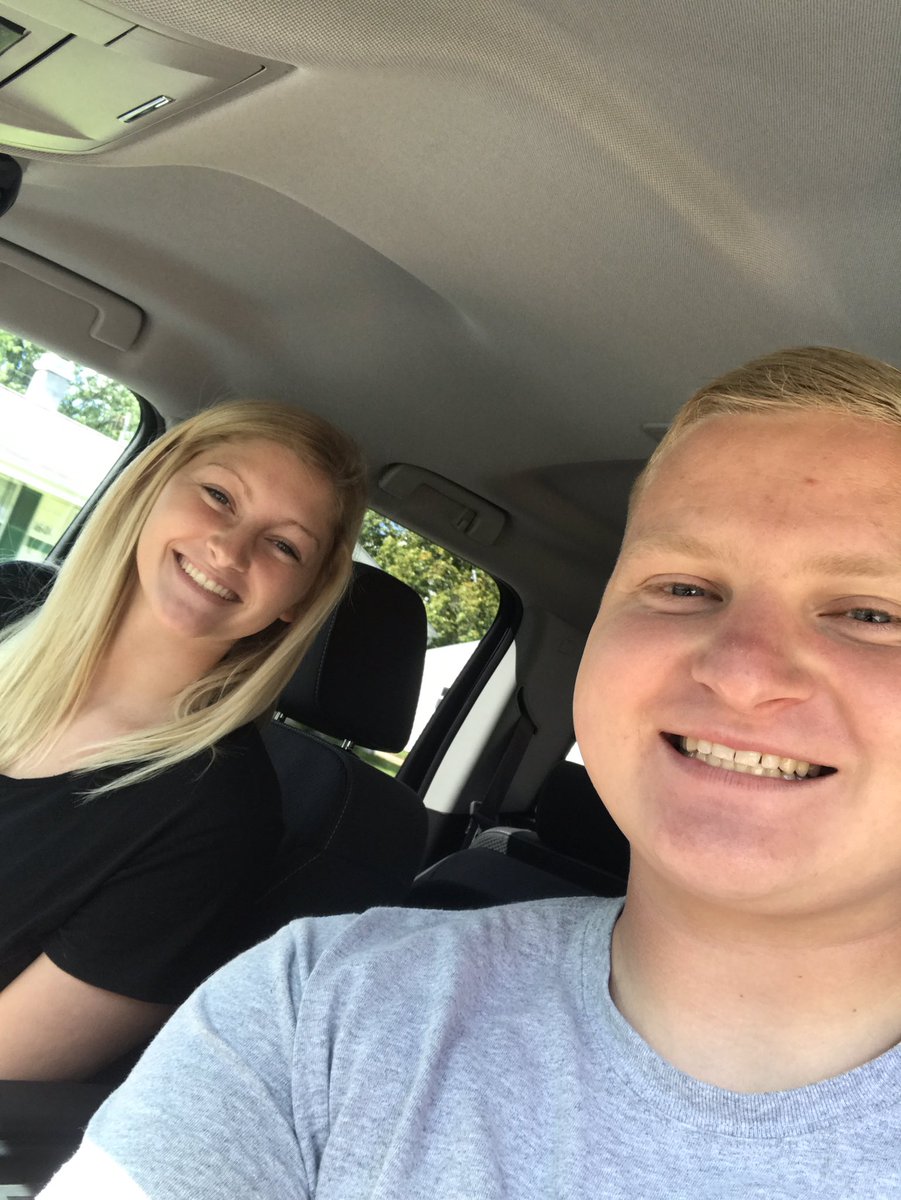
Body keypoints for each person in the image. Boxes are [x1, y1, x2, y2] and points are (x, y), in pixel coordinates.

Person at [39, 347, 901, 1197]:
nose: (741, 672)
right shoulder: (319, 1008)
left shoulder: (220, 813)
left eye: (871, 613)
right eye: (683, 587)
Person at [0, 399, 367, 1082]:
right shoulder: (9, 597)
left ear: (299, 599)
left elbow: (10, 1066)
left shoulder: (217, 814)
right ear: (151, 486)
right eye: (219, 496)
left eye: (284, 545)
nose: (229, 549)